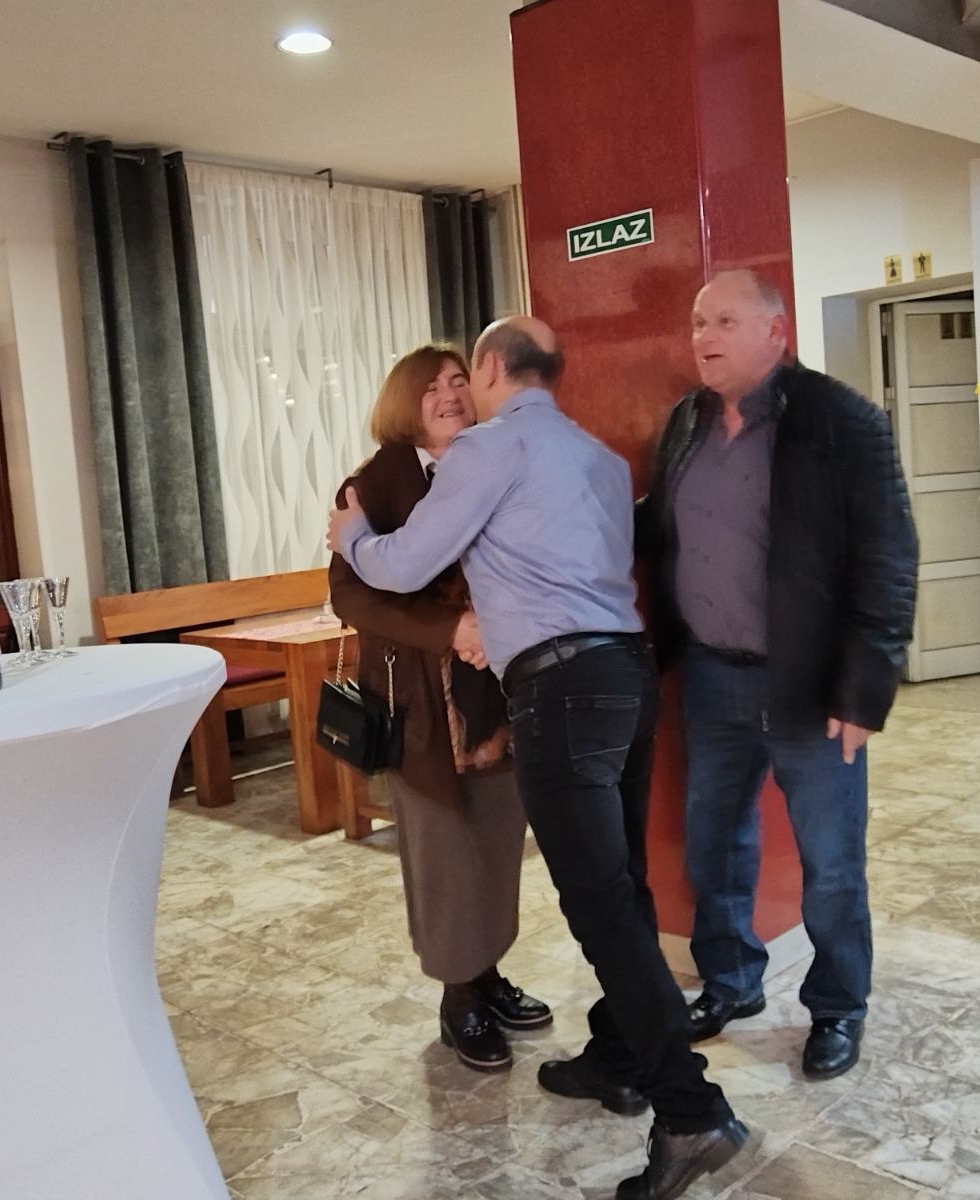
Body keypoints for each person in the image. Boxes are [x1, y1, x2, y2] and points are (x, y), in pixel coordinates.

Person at [328, 316, 750, 1200]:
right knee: (622, 885)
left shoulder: (488, 449)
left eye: (463, 377)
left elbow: (401, 566)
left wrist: (353, 538)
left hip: (560, 690)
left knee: (600, 905)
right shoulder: (597, 456)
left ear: (489, 367)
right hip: (627, 673)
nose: (457, 394)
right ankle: (622, 1055)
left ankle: (690, 1112)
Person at [639, 269, 918, 1081]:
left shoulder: (843, 420)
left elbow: (888, 559)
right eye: (697, 322)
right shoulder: (686, 421)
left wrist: (863, 691)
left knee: (831, 863)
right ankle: (731, 982)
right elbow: (662, 529)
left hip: (812, 685)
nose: (704, 337)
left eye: (724, 321)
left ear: (775, 331)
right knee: (714, 843)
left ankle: (838, 1007)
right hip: (713, 676)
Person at [327, 344, 551, 1074]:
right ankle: (459, 997)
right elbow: (351, 596)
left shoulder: (495, 464)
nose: (450, 394)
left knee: (496, 838)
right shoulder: (372, 485)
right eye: (430, 387)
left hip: (498, 691)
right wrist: (449, 629)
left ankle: (487, 974)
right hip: (422, 702)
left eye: (459, 380)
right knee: (444, 851)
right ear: (404, 403)